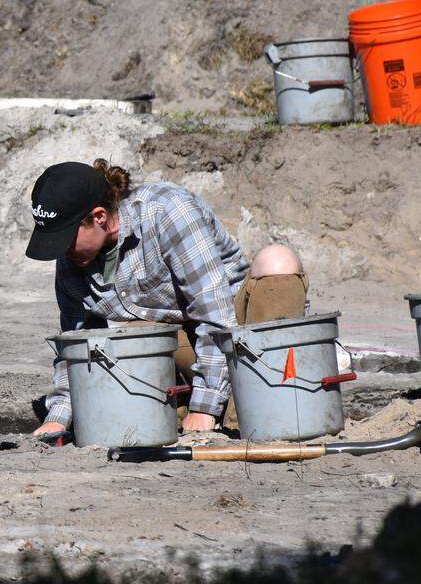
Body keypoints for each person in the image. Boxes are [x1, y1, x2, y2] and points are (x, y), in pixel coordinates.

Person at [26, 160, 309, 435]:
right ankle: (196, 405)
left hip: (240, 334)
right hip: (188, 341)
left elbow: (216, 317)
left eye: (66, 238)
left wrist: (205, 408)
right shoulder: (73, 259)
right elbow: (75, 345)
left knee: (277, 260)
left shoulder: (169, 211)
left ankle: (262, 403)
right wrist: (59, 416)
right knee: (130, 330)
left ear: (99, 217)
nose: (62, 252)